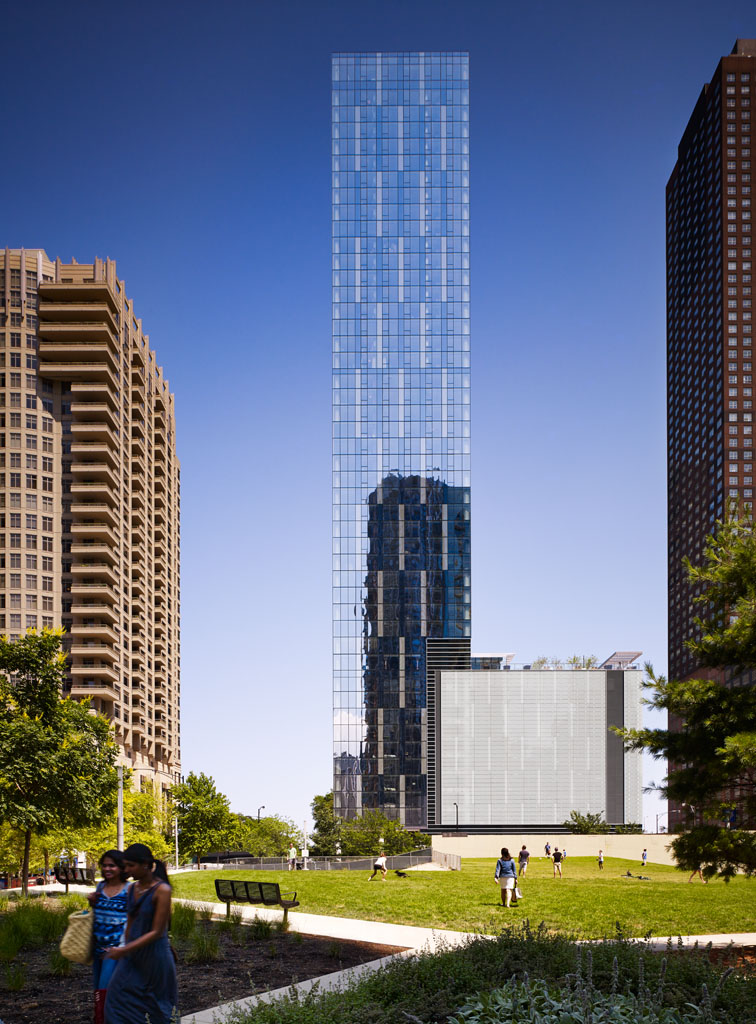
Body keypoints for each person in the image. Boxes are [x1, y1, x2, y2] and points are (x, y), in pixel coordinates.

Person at [103, 843, 178, 1024]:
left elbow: (157, 932)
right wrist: (124, 948)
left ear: (145, 865)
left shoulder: (162, 890)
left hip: (155, 957)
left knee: (157, 1006)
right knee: (115, 1000)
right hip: (132, 954)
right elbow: (130, 923)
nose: (126, 870)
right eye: (125, 865)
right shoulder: (132, 889)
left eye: (131, 865)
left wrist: (124, 950)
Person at [88, 850, 129, 1024]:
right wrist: (91, 902)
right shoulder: (100, 887)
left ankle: (106, 1020)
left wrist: (124, 947)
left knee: (105, 990)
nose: (107, 869)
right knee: (98, 989)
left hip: (115, 949)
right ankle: (102, 1018)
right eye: (104, 865)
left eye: (112, 865)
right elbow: (98, 914)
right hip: (98, 947)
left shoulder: (129, 889)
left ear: (121, 867)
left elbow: (132, 919)